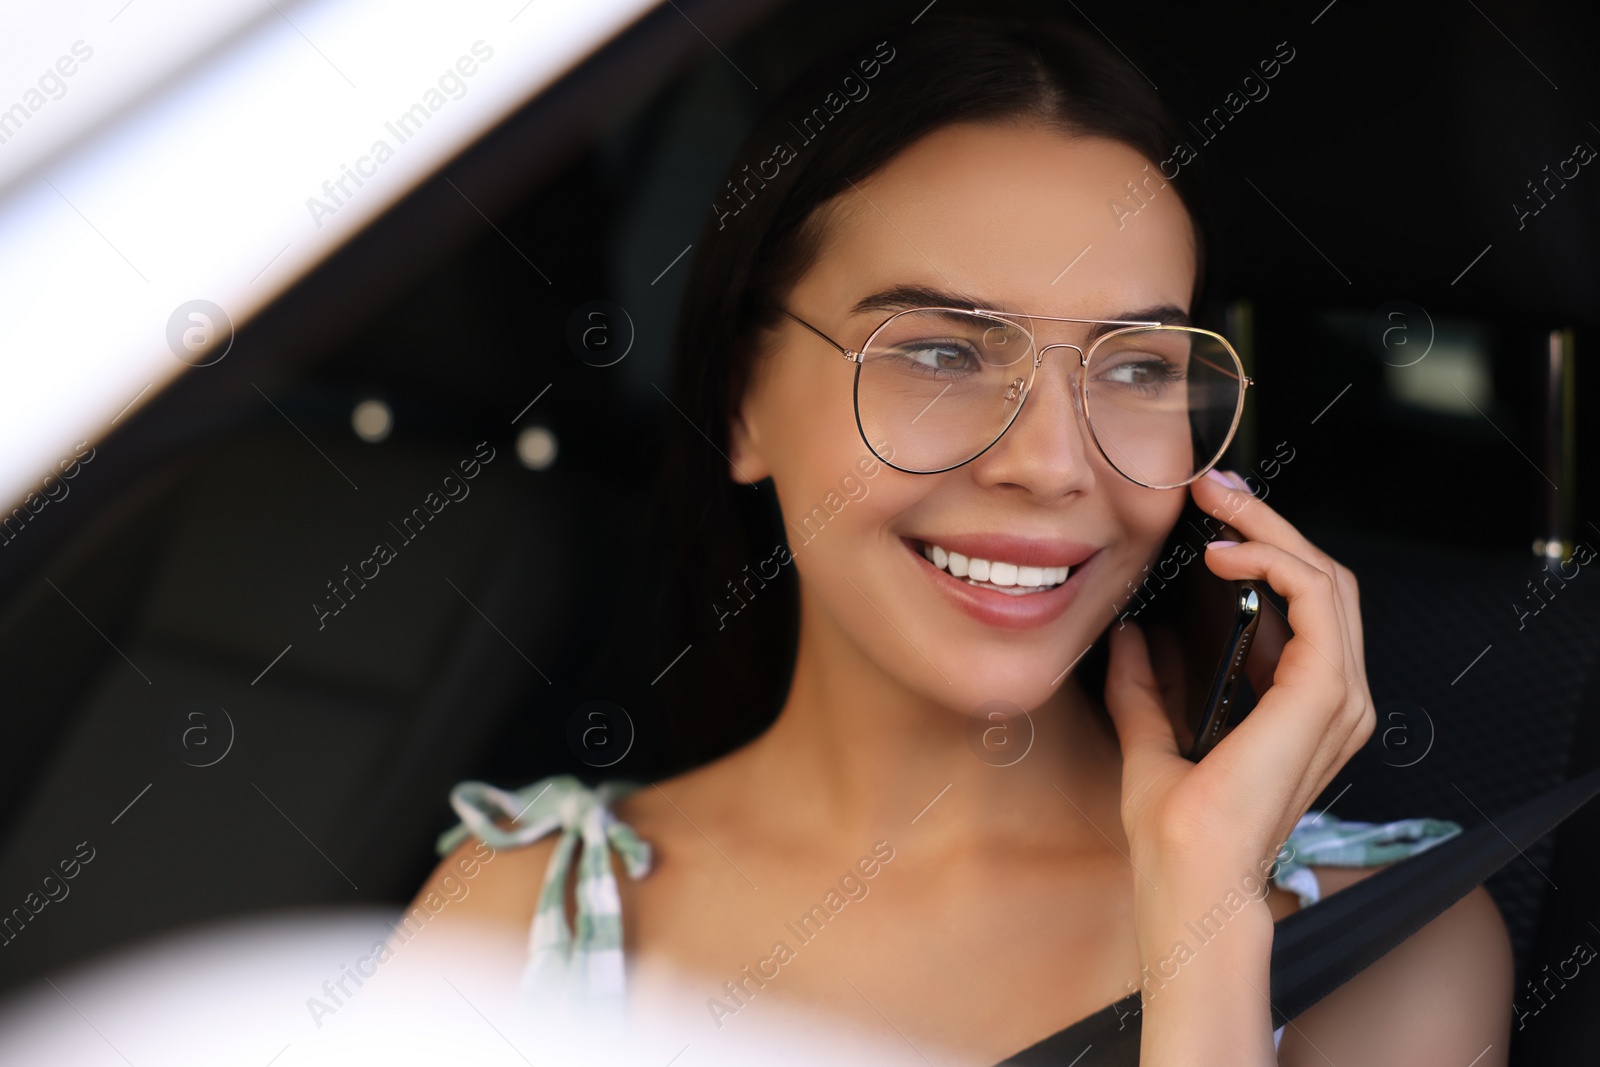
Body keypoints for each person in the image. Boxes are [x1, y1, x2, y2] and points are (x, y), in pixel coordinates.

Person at [408, 11, 1513, 1064]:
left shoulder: (1385, 940)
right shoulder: (521, 916)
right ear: (742, 400)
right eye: (941, 353)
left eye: (1135, 365)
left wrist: (1207, 922)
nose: (1049, 462)